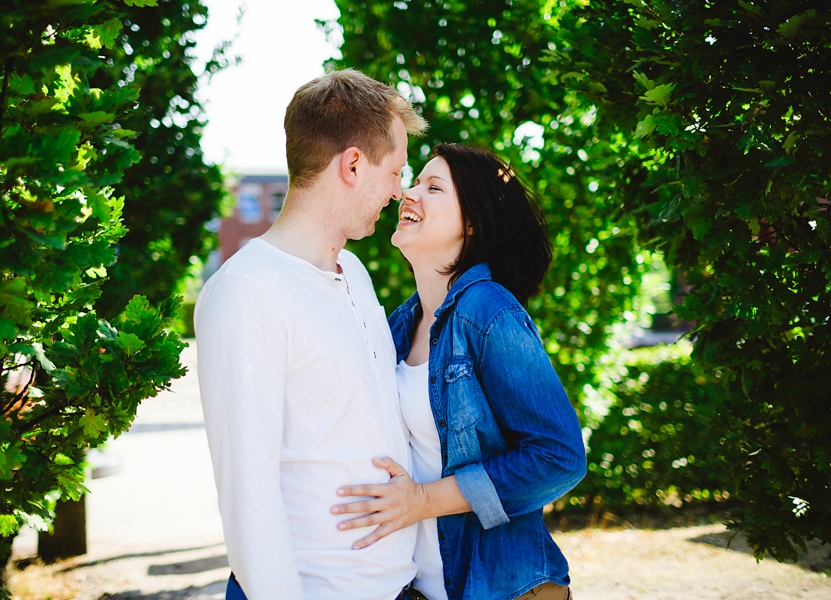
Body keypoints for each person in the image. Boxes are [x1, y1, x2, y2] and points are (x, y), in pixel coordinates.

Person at [194, 69, 427, 600]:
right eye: (394, 171)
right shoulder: (248, 292)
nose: (399, 190)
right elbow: (247, 495)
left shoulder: (355, 273)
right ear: (351, 164)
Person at [332, 144, 587, 600]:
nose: (409, 194)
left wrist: (424, 502)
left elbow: (559, 457)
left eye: (433, 187)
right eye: (414, 182)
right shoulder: (396, 326)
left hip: (507, 589)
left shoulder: (487, 311)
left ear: (472, 224)